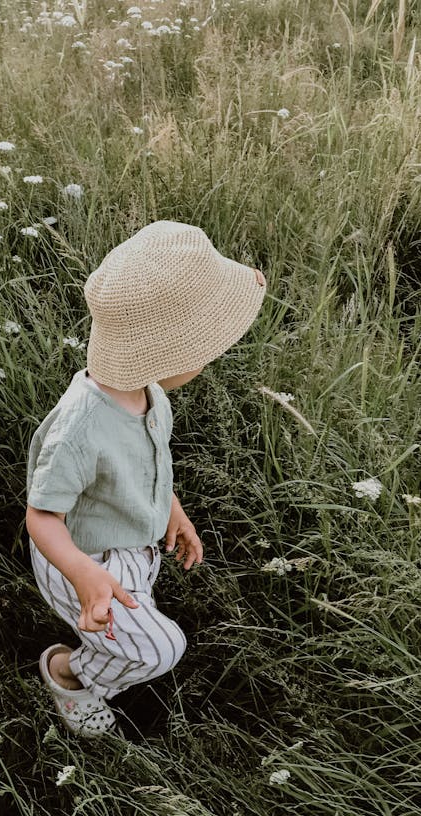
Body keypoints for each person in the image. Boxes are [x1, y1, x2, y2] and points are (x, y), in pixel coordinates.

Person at [25, 220, 267, 739]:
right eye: (200, 351)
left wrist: (171, 511)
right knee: (161, 649)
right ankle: (69, 673)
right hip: (84, 560)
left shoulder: (146, 394)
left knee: (138, 632)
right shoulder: (81, 427)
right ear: (165, 352)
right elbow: (41, 516)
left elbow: (146, 462)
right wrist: (84, 577)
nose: (205, 361)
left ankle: (105, 647)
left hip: (130, 543)